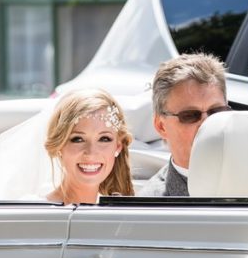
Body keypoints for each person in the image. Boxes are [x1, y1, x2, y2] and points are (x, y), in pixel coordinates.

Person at [139, 53, 230, 197]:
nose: (207, 123)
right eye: (189, 115)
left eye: (216, 112)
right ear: (161, 126)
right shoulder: (151, 208)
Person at [43, 89, 134, 204]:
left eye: (104, 139)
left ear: (118, 146)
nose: (91, 153)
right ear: (59, 146)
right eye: (78, 139)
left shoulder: (124, 213)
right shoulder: (32, 213)